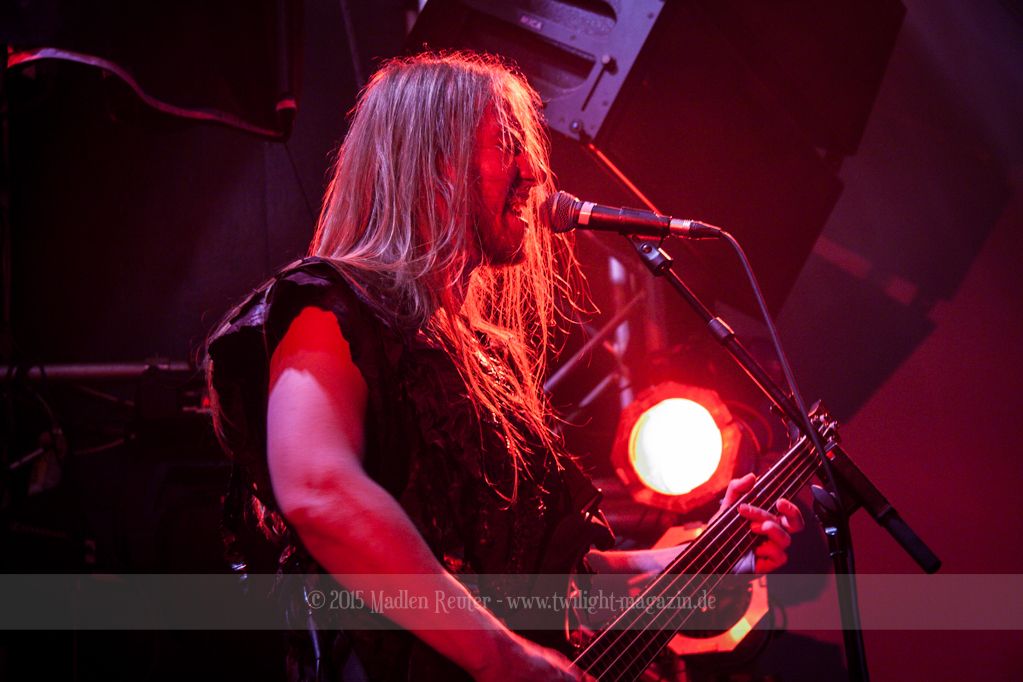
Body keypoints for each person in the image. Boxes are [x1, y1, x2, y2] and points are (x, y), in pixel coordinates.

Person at [205, 52, 803, 682]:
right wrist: (507, 659)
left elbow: (547, 586)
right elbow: (320, 489)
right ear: (433, 161)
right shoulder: (328, 305)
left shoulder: (486, 360)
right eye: (508, 143)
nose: (534, 171)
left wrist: (704, 557)